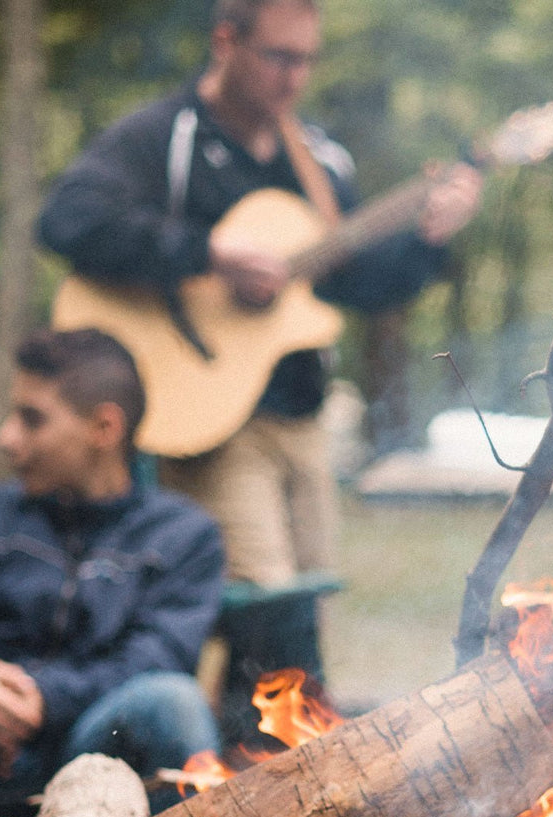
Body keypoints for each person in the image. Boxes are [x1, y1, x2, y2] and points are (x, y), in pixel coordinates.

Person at [37, 0, 482, 597]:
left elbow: (355, 284)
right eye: (278, 57)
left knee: (309, 604)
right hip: (209, 419)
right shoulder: (165, 136)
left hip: (301, 417)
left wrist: (429, 242)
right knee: (261, 602)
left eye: (306, 60)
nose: (294, 77)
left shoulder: (319, 160)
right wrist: (207, 254)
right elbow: (67, 221)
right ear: (226, 43)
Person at [0, 328, 224, 817]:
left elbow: (157, 658)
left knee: (173, 702)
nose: (6, 438)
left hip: (96, 749)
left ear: (104, 428)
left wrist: (42, 698)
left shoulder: (184, 536)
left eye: (32, 419)